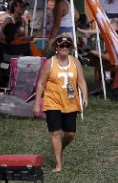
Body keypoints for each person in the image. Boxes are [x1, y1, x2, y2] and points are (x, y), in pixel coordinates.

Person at [34, 32, 87, 172]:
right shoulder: (49, 63)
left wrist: (85, 96)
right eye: (61, 45)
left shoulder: (75, 62)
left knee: (70, 134)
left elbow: (81, 80)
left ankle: (59, 148)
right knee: (56, 132)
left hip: (70, 101)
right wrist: (36, 103)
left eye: (67, 45)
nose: (64, 47)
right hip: (53, 101)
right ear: (56, 47)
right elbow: (40, 83)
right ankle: (58, 164)